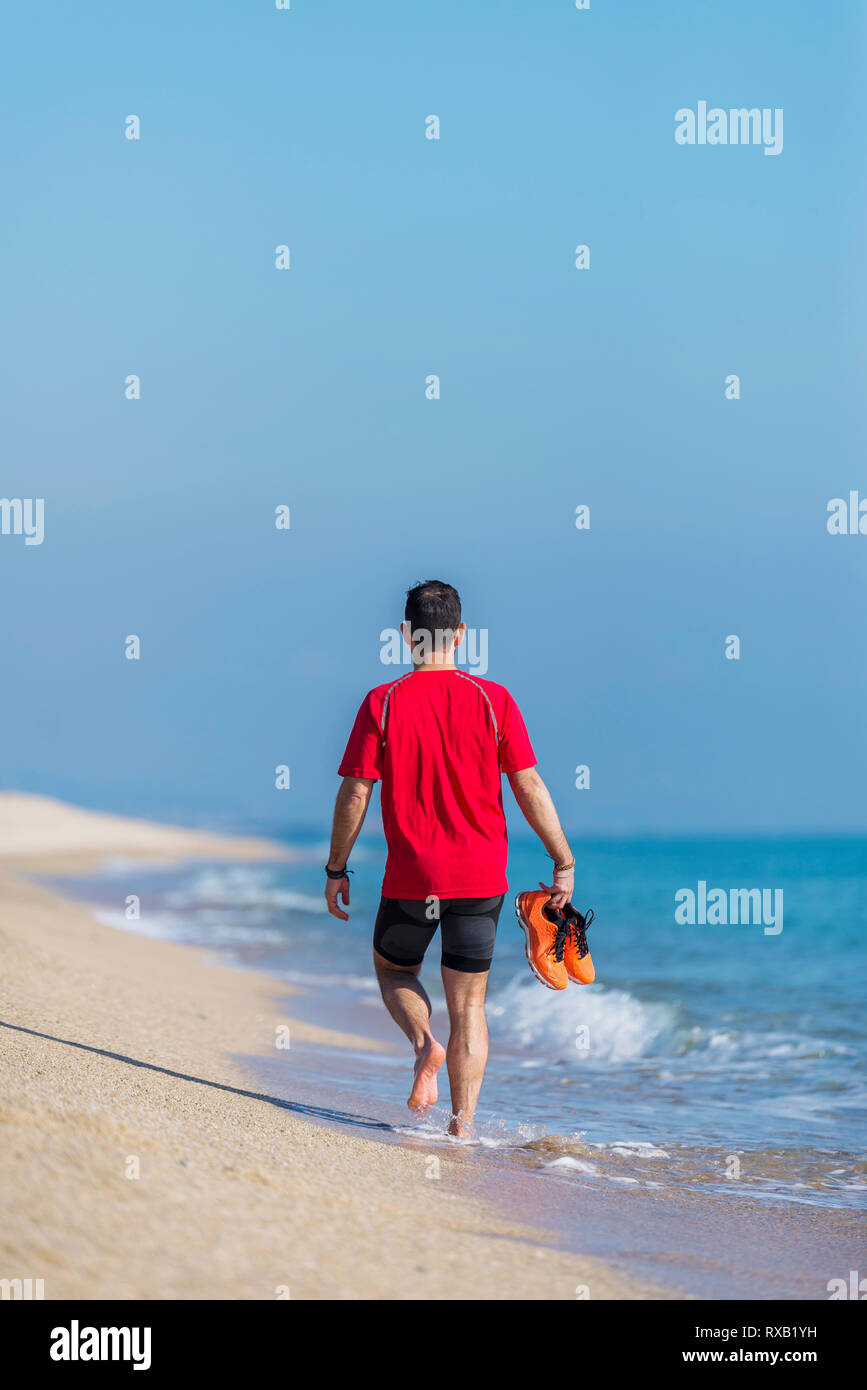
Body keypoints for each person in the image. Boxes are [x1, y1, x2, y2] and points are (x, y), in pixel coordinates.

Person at [325, 580, 575, 1136]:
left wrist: (337, 867)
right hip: (480, 877)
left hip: (414, 878)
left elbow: (357, 792)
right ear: (462, 634)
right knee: (470, 1007)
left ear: (404, 636)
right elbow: (529, 786)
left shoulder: (382, 702)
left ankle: (423, 1046)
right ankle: (462, 1130)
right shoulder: (494, 700)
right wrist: (563, 860)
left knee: (394, 970)